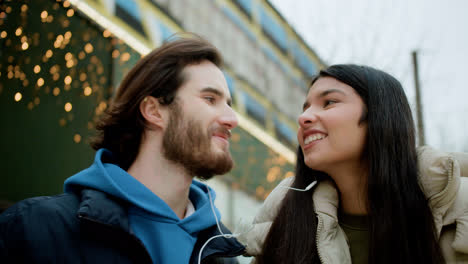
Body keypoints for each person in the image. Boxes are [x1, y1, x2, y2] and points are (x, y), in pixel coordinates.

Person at [0, 34, 245, 264]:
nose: (232, 118)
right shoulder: (34, 229)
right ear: (153, 111)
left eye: (229, 104)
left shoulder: (223, 253)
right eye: (210, 99)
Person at [237, 64, 468, 263]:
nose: (303, 118)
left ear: (380, 116)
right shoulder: (283, 212)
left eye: (329, 102)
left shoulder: (458, 207)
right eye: (305, 108)